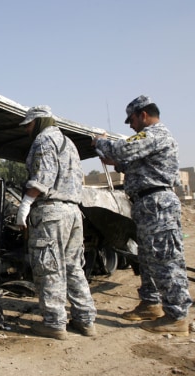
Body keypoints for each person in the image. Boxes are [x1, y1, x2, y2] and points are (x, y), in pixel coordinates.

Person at [92, 95, 192, 336]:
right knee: (147, 259)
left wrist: (101, 142)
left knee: (165, 259)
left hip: (157, 205)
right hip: (146, 205)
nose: (131, 125)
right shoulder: (151, 140)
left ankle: (177, 317)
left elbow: (124, 148)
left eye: (132, 120)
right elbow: (131, 164)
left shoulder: (155, 134)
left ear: (143, 115)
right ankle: (151, 304)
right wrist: (116, 163)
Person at [16, 105, 97, 340]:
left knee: (49, 267)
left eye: (29, 125)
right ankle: (85, 320)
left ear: (40, 122)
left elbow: (43, 177)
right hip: (73, 212)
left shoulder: (43, 140)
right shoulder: (68, 143)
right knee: (73, 268)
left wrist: (25, 205)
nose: (27, 130)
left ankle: (54, 323)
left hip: (51, 213)